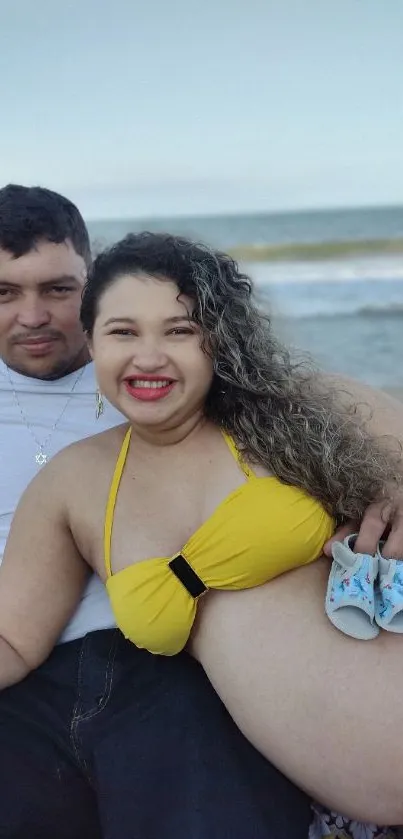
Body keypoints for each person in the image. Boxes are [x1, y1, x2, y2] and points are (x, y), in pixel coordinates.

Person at [1, 229, 403, 833]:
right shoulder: (73, 483)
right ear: (92, 342)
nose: (149, 356)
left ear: (218, 340)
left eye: (180, 330)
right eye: (123, 332)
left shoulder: (307, 406)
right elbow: (11, 642)